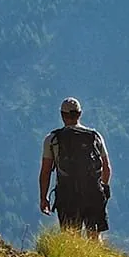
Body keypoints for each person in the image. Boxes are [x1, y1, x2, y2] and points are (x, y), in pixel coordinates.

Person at [39, 98, 112, 236]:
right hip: (93, 193)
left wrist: (43, 197)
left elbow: (46, 171)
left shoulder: (52, 139)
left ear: (62, 115)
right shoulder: (95, 137)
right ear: (80, 114)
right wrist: (103, 189)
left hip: (67, 194)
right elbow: (106, 168)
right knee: (94, 238)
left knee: (71, 237)